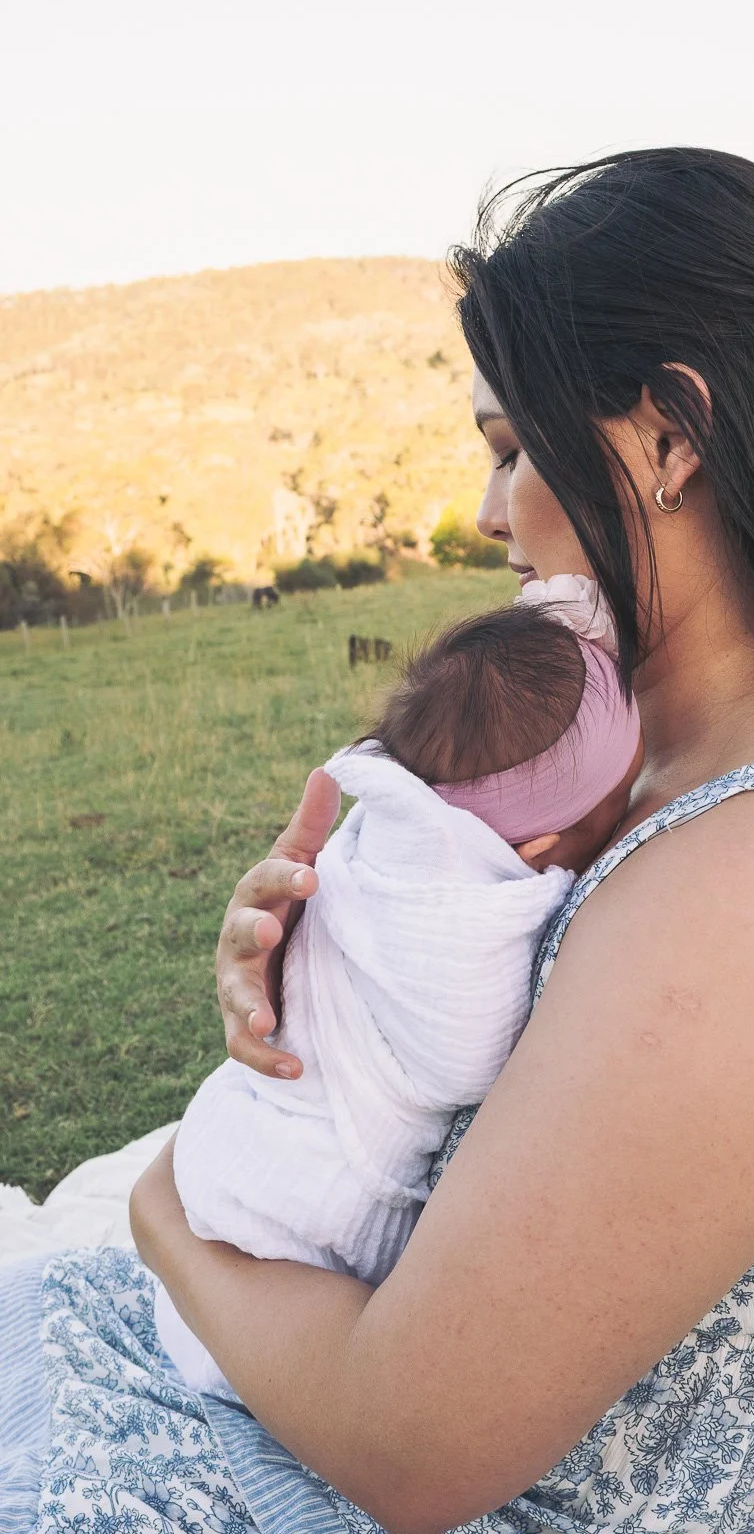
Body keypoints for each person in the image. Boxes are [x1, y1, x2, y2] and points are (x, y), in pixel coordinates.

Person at [1, 148, 754, 1534]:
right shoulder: (664, 767)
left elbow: (414, 1448)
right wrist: (350, 973)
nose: (492, 512)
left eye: (511, 443)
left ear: (672, 441)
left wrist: (166, 1212)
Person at [155, 599, 642, 1398]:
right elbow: (459, 1063)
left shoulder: (401, 814)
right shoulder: (455, 909)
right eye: (617, 806)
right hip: (305, 1202)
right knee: (241, 1363)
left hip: (229, 1140)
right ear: (544, 846)